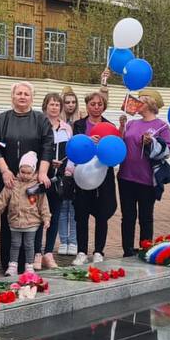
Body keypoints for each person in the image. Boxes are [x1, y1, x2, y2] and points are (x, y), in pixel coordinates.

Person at [0, 81, 55, 272]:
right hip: (9, 178)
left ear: (32, 98)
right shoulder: (3, 119)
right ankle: (9, 262)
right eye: (19, 93)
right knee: (9, 214)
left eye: (26, 93)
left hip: (33, 180)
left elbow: (47, 147)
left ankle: (29, 262)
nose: (22, 96)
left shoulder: (40, 120)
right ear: (12, 96)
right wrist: (4, 171)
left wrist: (42, 172)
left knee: (33, 215)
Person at [117, 91, 170, 257]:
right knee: (128, 216)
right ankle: (127, 250)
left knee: (145, 217)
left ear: (150, 104)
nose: (136, 103)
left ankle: (145, 249)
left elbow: (167, 150)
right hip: (125, 177)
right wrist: (121, 126)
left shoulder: (162, 126)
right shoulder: (132, 123)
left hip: (147, 179)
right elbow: (120, 143)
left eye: (140, 101)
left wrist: (152, 142)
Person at [69, 89, 118, 265]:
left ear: (104, 106)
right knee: (81, 214)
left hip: (103, 175)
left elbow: (115, 150)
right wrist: (89, 142)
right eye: (93, 104)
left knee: (102, 215)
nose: (96, 107)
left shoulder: (110, 126)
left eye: (100, 104)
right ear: (87, 105)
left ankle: (98, 251)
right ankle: (81, 251)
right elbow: (74, 147)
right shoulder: (78, 125)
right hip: (82, 175)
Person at [0, 151, 51, 276]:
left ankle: (29, 266)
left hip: (31, 221)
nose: (25, 175)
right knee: (15, 244)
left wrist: (46, 218)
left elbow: (43, 204)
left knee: (29, 245)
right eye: (23, 172)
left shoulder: (37, 186)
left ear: (34, 171)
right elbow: (2, 199)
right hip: (15, 220)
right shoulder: (13, 183)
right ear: (19, 169)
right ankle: (12, 265)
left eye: (29, 173)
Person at [39, 92, 73, 266]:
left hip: (59, 178)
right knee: (38, 215)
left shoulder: (67, 128)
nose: (54, 107)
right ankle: (36, 252)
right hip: (42, 175)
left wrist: (66, 168)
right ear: (45, 106)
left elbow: (72, 152)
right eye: (51, 104)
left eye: (57, 105)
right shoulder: (40, 125)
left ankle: (48, 252)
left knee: (55, 214)